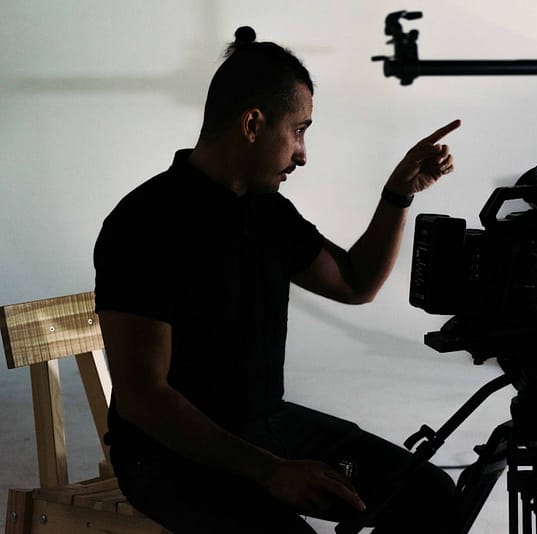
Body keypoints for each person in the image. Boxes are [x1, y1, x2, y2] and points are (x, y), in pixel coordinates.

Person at [94, 26, 461, 533]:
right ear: (252, 124)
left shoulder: (269, 214)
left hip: (269, 428)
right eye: (300, 130)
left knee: (432, 497)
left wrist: (398, 193)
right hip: (167, 458)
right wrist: (270, 471)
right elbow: (143, 397)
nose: (303, 153)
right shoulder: (145, 224)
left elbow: (355, 284)